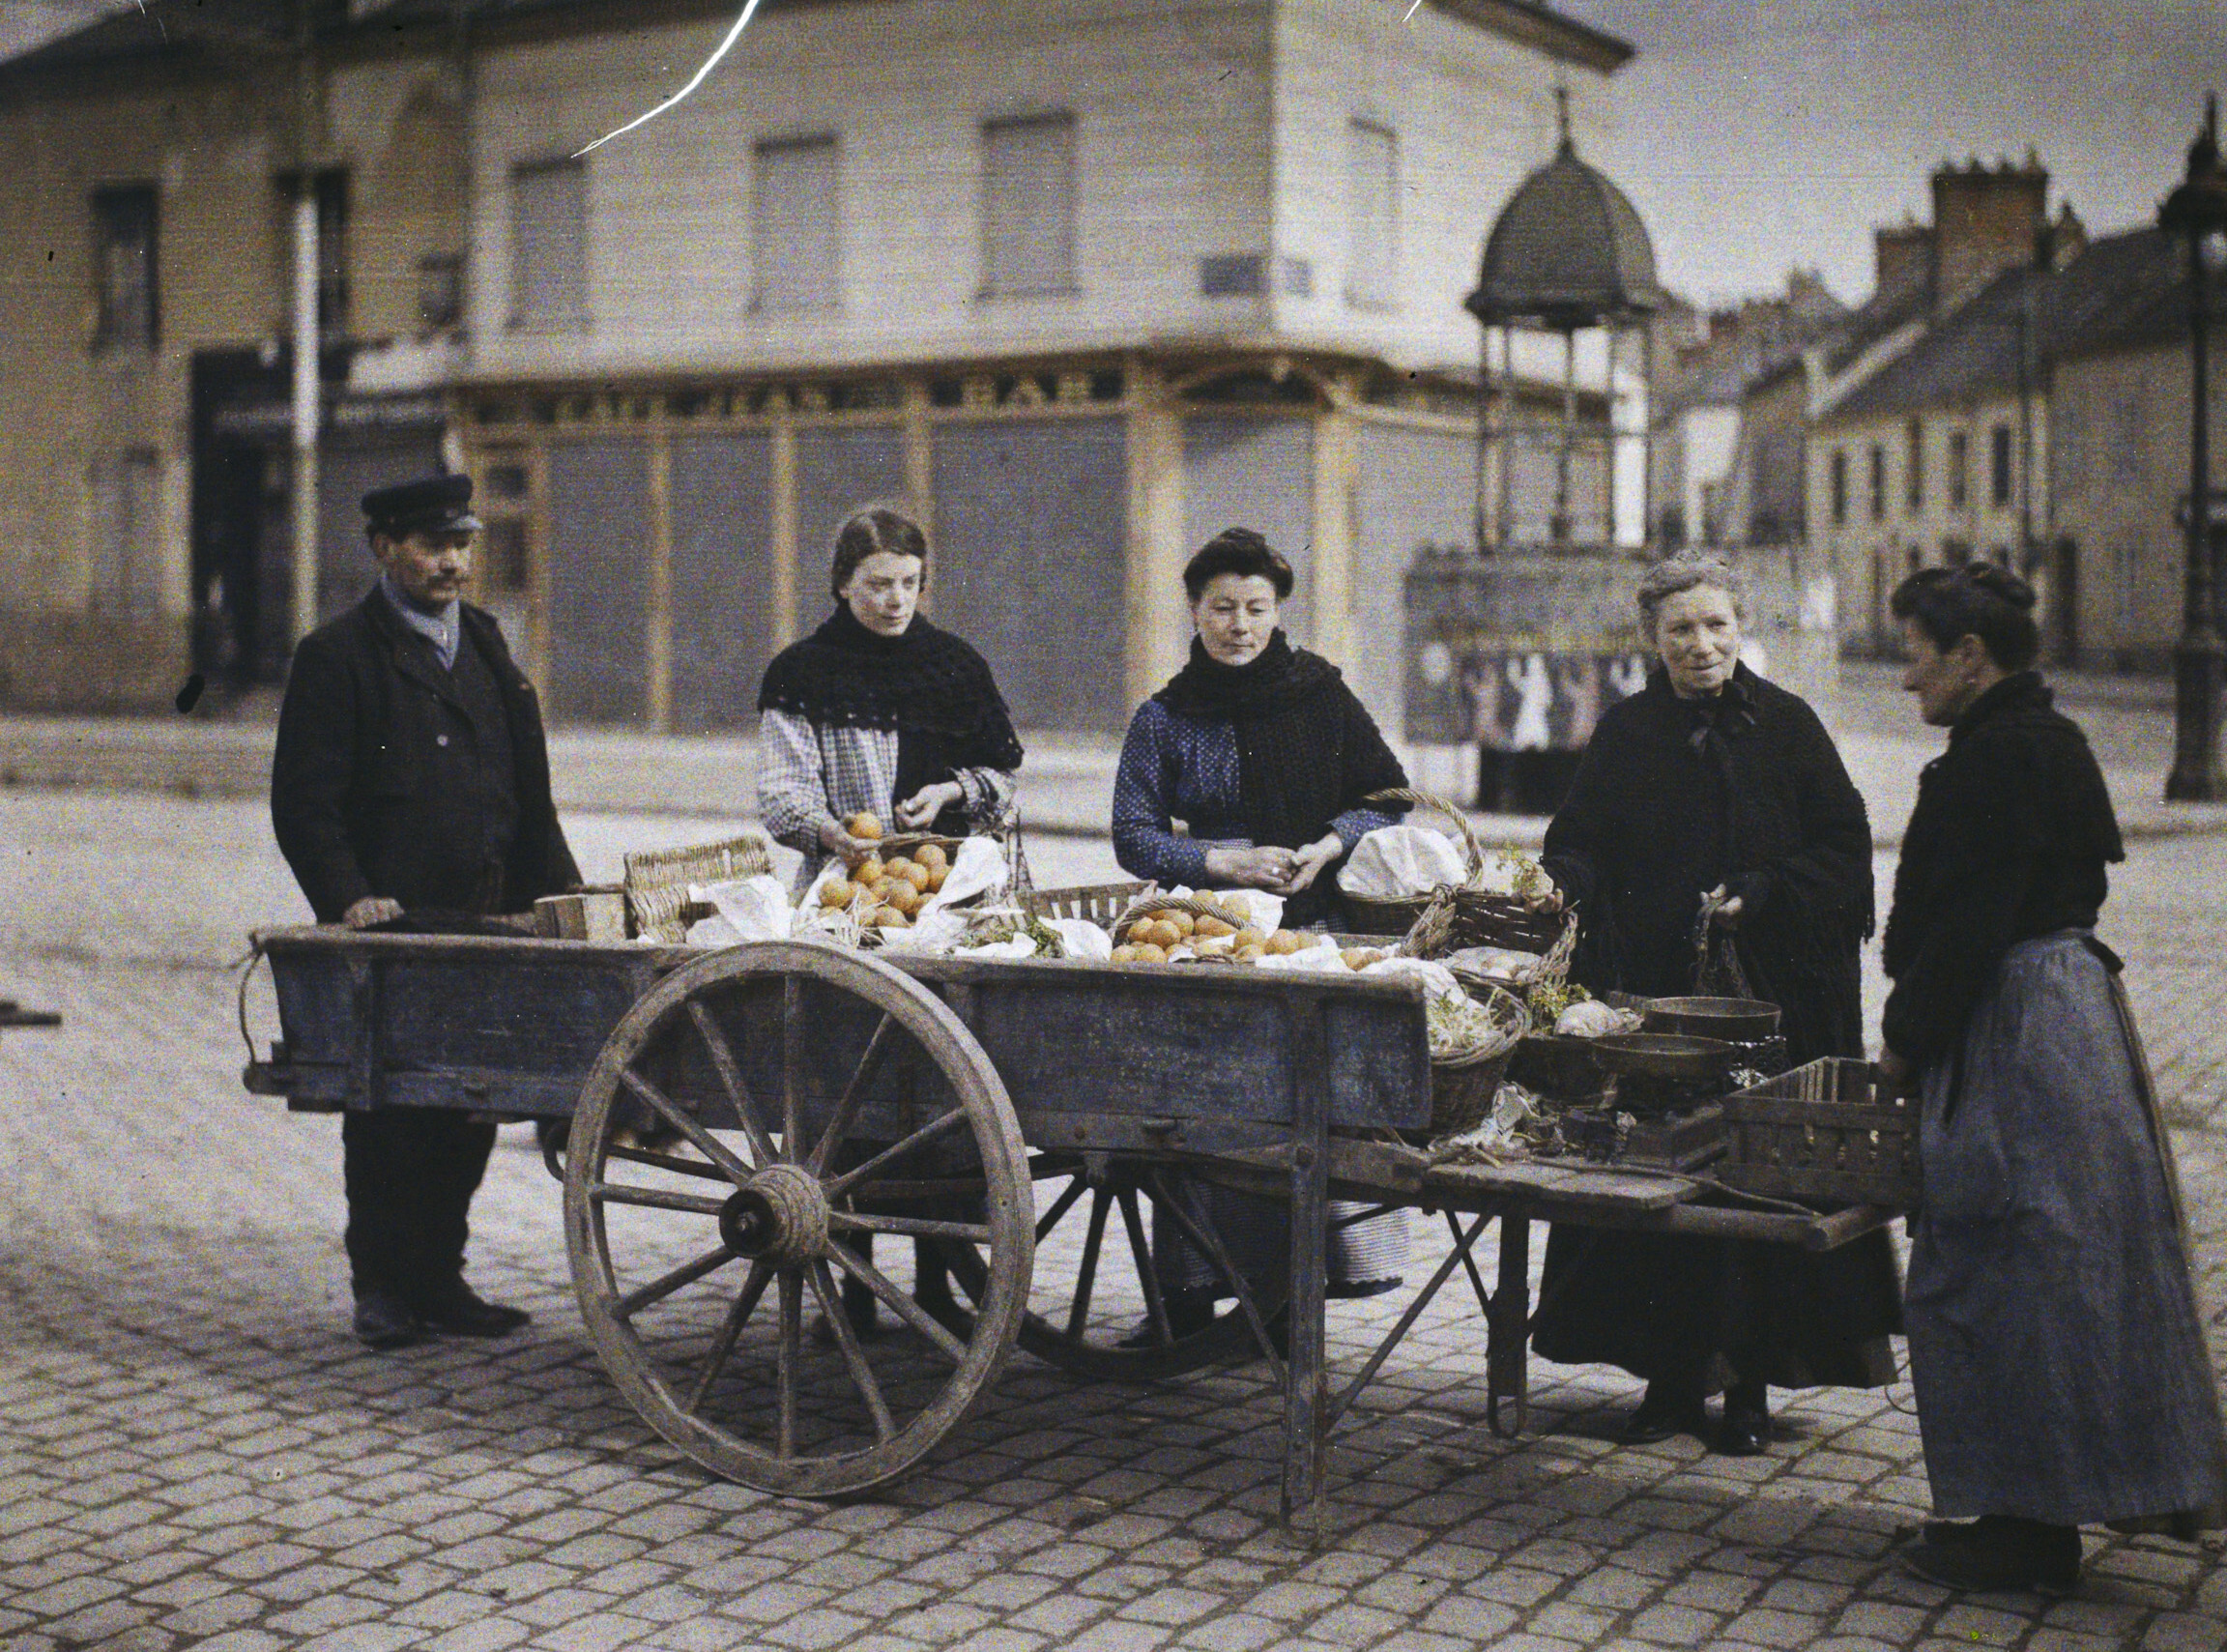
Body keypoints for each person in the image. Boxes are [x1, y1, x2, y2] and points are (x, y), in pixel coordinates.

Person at [1878, 565, 2226, 1595]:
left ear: (1969, 657)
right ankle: (2078, 1492)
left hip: (2016, 1028)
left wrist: (1902, 1043)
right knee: (2070, 1262)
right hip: (2070, 1020)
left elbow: (1967, 928)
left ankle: (2025, 1527)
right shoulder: (2051, 741)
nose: (1906, 680)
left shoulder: (1991, 763)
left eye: (1915, 654)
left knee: (1997, 1263)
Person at [1532, 552, 1900, 1454]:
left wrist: (1766, 889)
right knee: (1664, 1181)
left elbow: (1846, 848)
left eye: (1716, 626)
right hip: (1658, 999)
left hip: (1779, 1003)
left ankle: (1750, 1390)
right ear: (1653, 640)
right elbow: (1580, 842)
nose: (1701, 645)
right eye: (1681, 630)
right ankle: (1668, 1381)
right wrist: (1555, 885)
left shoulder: (1789, 726)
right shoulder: (1626, 733)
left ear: (1741, 627)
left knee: (1759, 1182)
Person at [272, 474, 581, 1350]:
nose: (453, 561)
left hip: (486, 920)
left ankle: (440, 1279)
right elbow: (304, 803)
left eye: (464, 544)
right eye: (432, 545)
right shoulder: (337, 656)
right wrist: (346, 897)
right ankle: (382, 1287)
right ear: (383, 549)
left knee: (471, 1104)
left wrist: (563, 897)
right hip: (395, 931)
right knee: (391, 1110)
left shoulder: (485, 643)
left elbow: (533, 800)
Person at [1112, 528, 1410, 1332]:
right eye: (1221, 608)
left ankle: (1292, 1296)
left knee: (1302, 1106)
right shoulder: (1166, 717)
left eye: (1255, 608)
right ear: (1195, 611)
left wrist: (1330, 842)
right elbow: (1133, 835)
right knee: (1200, 1109)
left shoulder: (1322, 694)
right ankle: (1186, 1291)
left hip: (1310, 922)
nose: (1238, 625)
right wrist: (1219, 863)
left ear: (1278, 611)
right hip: (1210, 933)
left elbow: (1388, 796)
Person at [757, 504, 1023, 1336]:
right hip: (854, 903)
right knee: (852, 1091)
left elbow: (1004, 778)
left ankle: (941, 1269)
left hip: (948, 900)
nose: (896, 600)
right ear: (842, 584)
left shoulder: (954, 666)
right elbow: (781, 792)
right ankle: (852, 1274)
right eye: (877, 585)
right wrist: (831, 831)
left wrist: (953, 792)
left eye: (909, 583)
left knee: (951, 1089)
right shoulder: (802, 673)